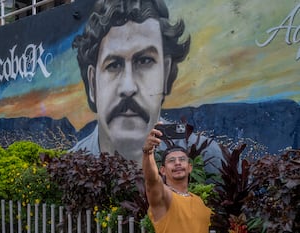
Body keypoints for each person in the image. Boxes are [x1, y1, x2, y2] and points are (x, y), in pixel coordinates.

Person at [71, 0, 222, 172]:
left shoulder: (212, 161)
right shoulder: (69, 170)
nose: (128, 87)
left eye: (144, 61)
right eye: (113, 65)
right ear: (92, 83)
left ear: (165, 74)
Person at [142, 130, 212, 232]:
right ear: (163, 170)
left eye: (182, 159)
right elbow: (152, 180)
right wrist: (148, 152)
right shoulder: (164, 197)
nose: (177, 163)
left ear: (189, 168)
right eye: (171, 160)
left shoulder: (199, 201)